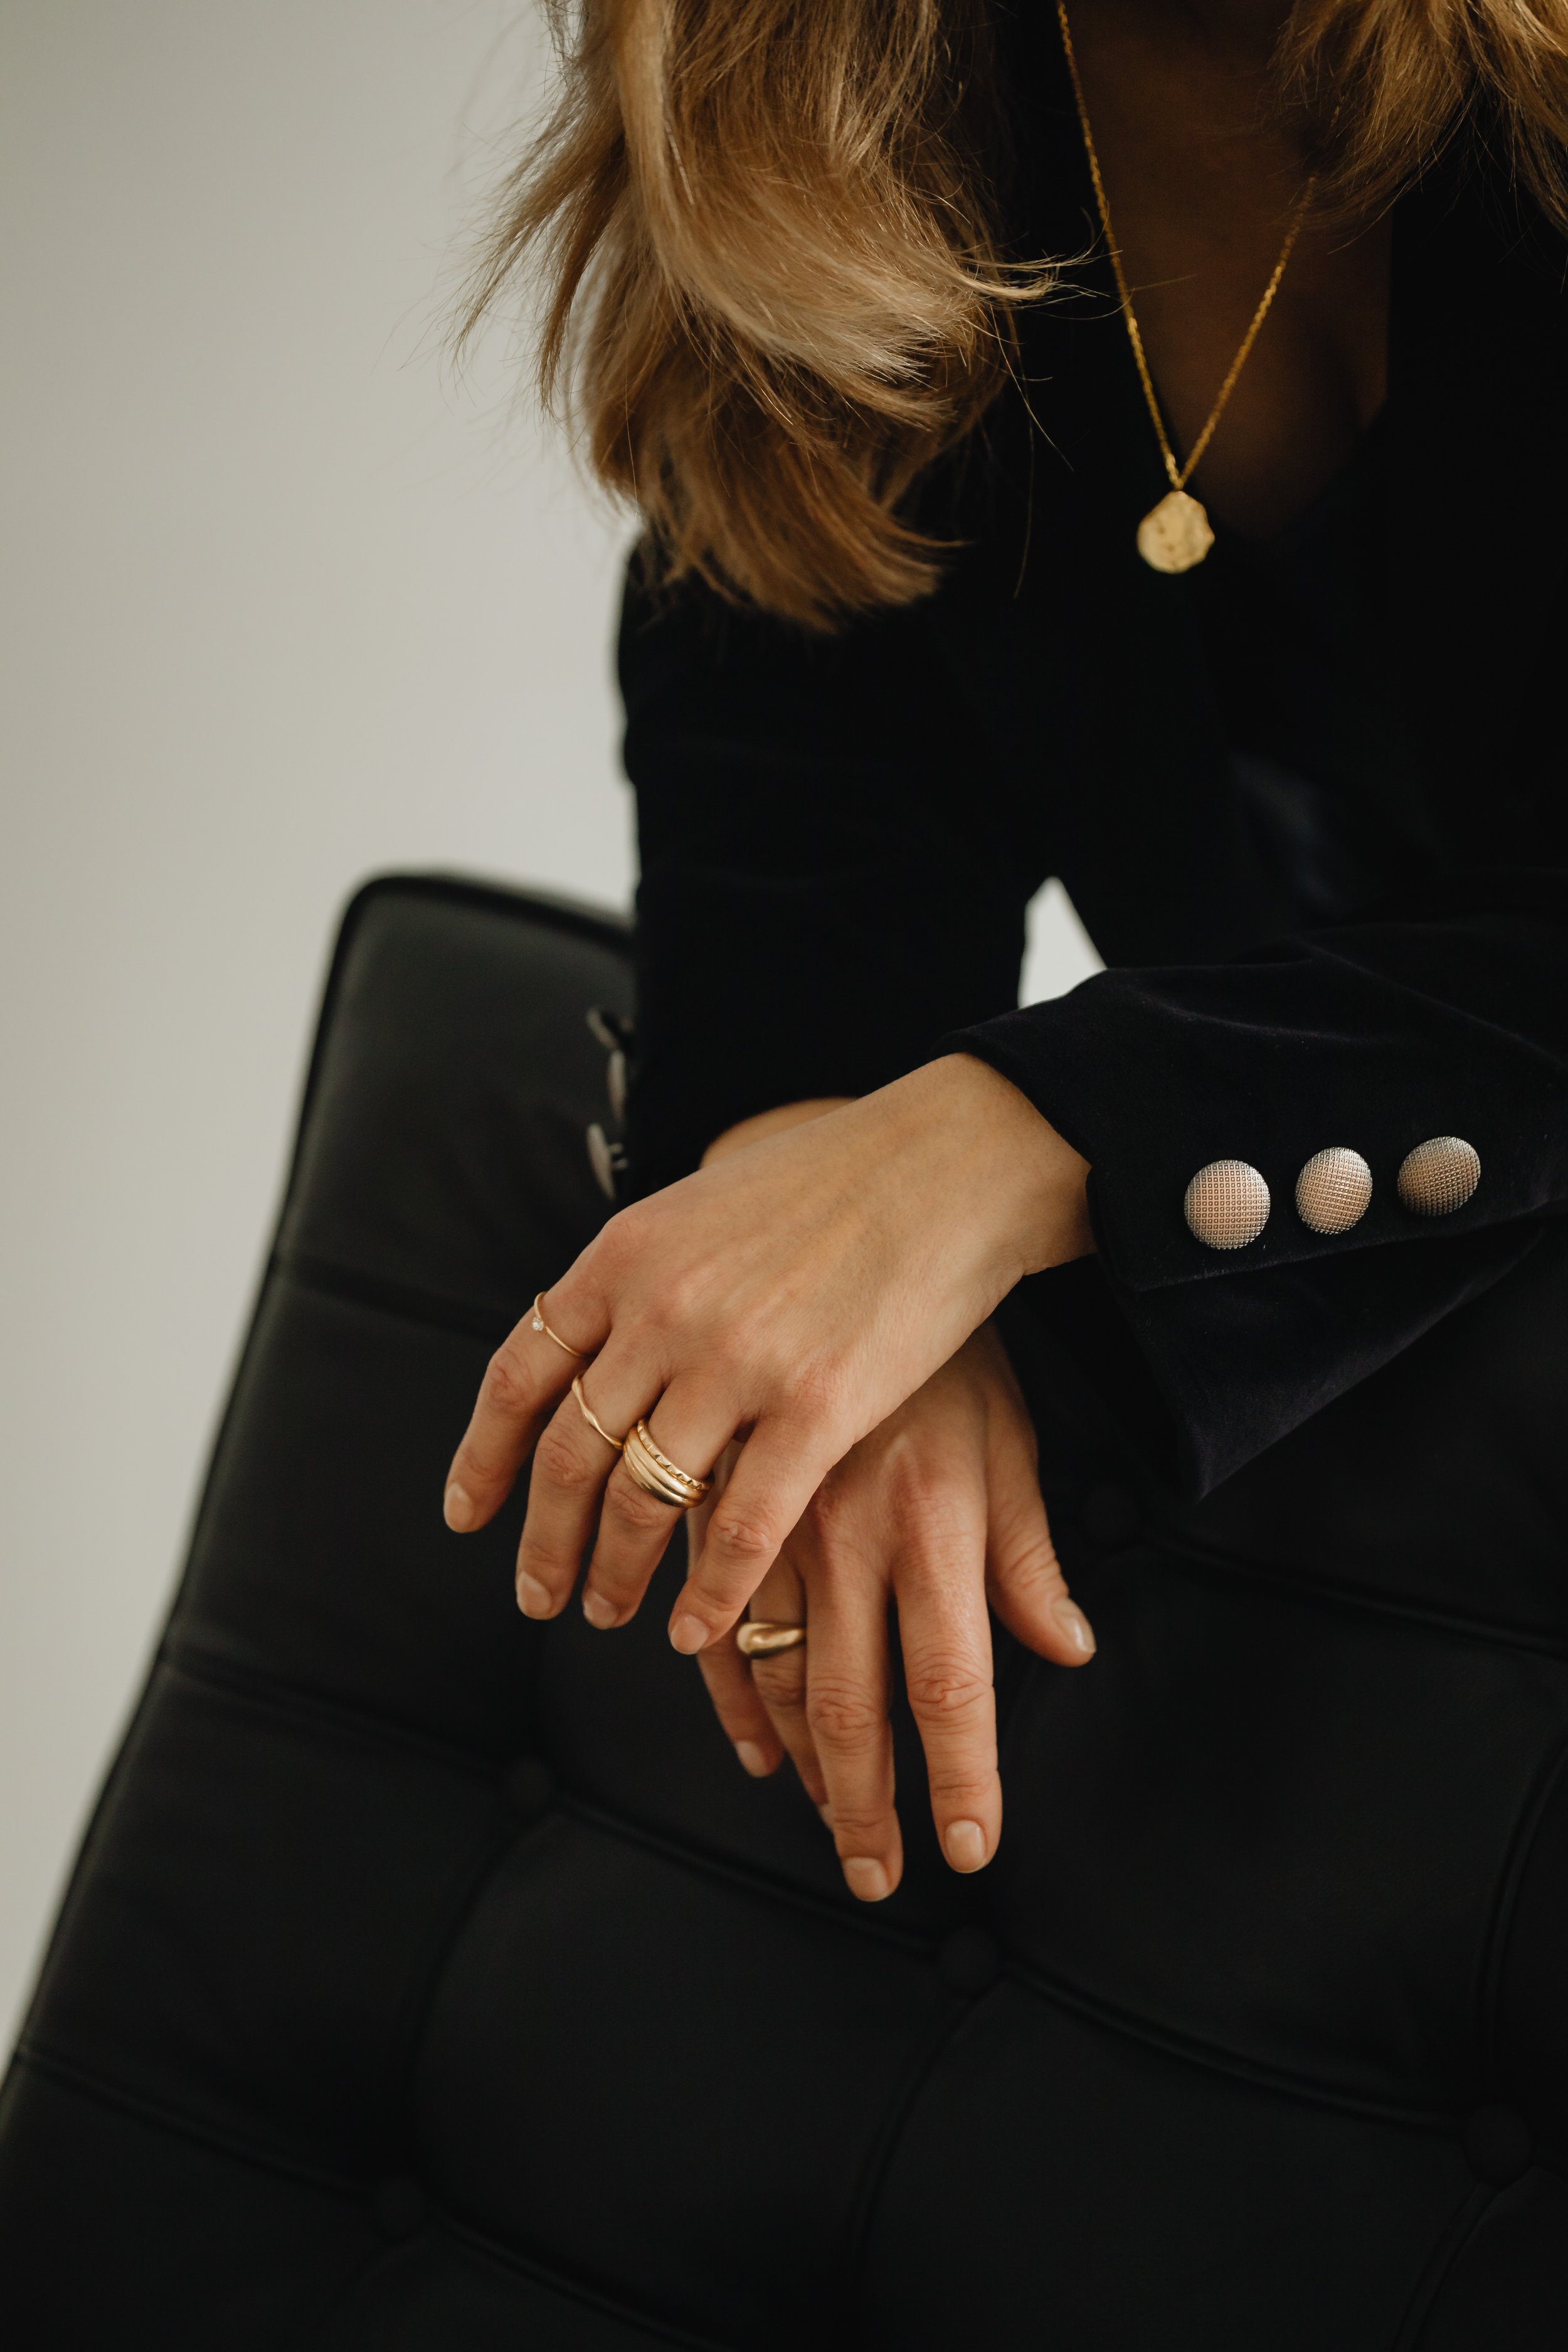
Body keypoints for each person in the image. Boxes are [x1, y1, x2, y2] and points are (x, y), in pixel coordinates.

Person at [445, 0, 1567, 1993]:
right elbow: (793, 820)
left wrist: (1022, 1135)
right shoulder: (859, 130)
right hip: (1358, 1584)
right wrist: (831, 1238)